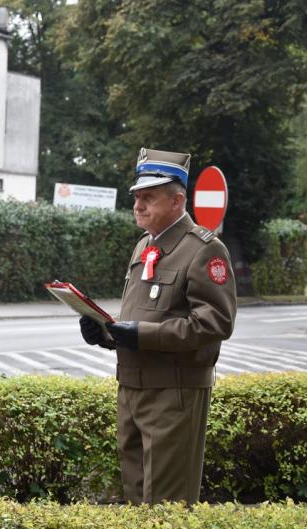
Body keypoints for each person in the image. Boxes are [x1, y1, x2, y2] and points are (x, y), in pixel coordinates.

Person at [79, 147, 237, 505]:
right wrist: (106, 334)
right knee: (137, 500)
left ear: (177, 201)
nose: (138, 205)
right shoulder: (143, 246)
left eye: (149, 198)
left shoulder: (203, 249)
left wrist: (140, 335)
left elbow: (215, 322)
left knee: (166, 504)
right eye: (137, 197)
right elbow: (145, 315)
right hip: (132, 387)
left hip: (173, 392)